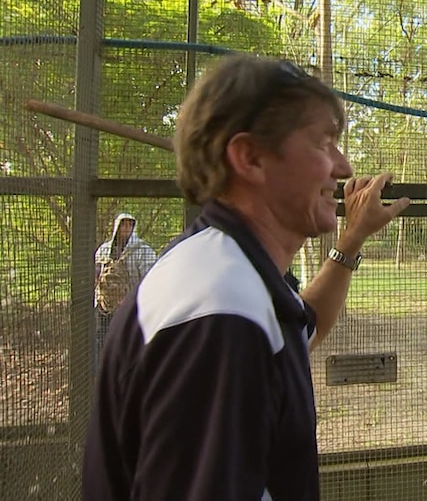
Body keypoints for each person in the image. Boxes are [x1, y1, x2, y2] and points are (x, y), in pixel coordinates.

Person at [82, 54, 410, 501]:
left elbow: (303, 327)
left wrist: (352, 240)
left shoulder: (227, 271)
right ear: (250, 157)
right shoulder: (218, 313)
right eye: (323, 143)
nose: (344, 167)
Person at [93, 212, 157, 357]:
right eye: (123, 224)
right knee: (103, 342)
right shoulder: (104, 250)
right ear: (117, 226)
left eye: (130, 224)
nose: (126, 228)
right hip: (105, 306)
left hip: (132, 307)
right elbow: (95, 274)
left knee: (128, 343)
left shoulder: (143, 250)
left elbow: (150, 279)